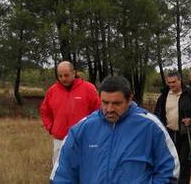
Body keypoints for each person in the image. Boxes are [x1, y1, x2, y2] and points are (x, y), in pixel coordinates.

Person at [50, 76, 179, 184]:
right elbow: (62, 174)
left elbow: (169, 171)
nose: (110, 109)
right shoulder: (82, 129)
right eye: (105, 102)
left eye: (117, 103)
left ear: (129, 99)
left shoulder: (150, 126)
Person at [40, 61, 100, 168]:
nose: (63, 78)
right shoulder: (52, 91)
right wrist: (51, 127)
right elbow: (45, 111)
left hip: (83, 140)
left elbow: (98, 112)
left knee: (84, 171)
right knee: (59, 172)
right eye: (60, 76)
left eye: (66, 75)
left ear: (74, 73)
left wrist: (92, 131)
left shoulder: (89, 89)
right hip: (60, 140)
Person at [153, 72, 191, 184]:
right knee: (170, 161)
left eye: (174, 82)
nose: (171, 85)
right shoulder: (164, 95)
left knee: (184, 163)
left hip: (185, 133)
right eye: (169, 82)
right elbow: (157, 113)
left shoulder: (189, 93)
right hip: (168, 133)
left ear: (180, 80)